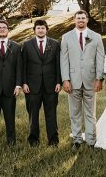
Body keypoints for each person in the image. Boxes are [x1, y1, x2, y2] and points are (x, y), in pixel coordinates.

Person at [60, 10, 105, 148]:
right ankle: (77, 140)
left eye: (83, 18)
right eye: (78, 18)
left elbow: (100, 58)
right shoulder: (66, 37)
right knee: (75, 112)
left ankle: (91, 140)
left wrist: (99, 78)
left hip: (91, 79)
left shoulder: (96, 37)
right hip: (73, 80)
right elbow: (64, 59)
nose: (80, 20)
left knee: (90, 112)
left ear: (87, 19)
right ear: (74, 20)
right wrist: (65, 79)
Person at [22, 18, 61, 146]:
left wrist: (58, 82)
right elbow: (23, 65)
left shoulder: (55, 44)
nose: (40, 30)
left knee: (51, 113)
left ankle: (53, 140)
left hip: (51, 85)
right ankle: (33, 140)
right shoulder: (27, 45)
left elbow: (58, 64)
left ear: (46, 30)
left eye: (43, 28)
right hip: (32, 86)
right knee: (33, 114)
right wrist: (24, 82)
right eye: (38, 28)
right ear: (34, 30)